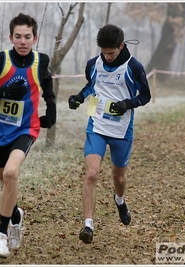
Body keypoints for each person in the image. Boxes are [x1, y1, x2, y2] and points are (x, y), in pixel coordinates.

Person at [0, 13, 56, 258]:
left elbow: (47, 86)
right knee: (5, 181)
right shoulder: (1, 60)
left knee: (11, 173)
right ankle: (16, 214)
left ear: (35, 38)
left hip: (25, 128)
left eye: (27, 37)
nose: (22, 41)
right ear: (11, 37)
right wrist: (3, 91)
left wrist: (51, 109)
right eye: (18, 36)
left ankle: (1, 235)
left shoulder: (41, 61)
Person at [68, 24, 151, 244]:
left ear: (121, 46)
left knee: (118, 177)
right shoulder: (93, 64)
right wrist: (78, 97)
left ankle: (120, 199)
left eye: (111, 53)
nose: (107, 57)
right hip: (96, 126)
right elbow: (91, 85)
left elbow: (145, 96)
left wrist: (127, 104)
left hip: (121, 131)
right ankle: (88, 225)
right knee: (92, 174)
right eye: (104, 53)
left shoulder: (134, 67)